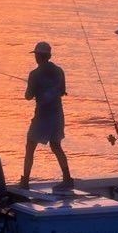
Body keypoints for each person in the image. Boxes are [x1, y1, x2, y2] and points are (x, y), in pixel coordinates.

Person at [20, 40, 73, 190]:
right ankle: (67, 178)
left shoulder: (34, 74)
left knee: (30, 146)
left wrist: (32, 90)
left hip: (42, 116)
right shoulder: (59, 71)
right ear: (49, 56)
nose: (35, 57)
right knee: (56, 146)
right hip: (57, 115)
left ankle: (25, 181)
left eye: (36, 55)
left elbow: (28, 96)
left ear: (38, 56)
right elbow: (62, 91)